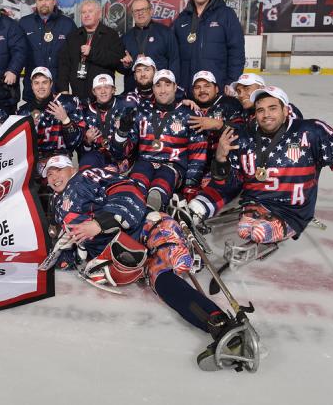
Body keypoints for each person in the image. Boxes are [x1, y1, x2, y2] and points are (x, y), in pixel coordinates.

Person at [43, 155, 251, 370]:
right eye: (49, 173)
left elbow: (127, 190)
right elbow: (75, 240)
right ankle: (219, 325)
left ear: (72, 169)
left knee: (174, 261)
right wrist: (67, 257)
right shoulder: (56, 203)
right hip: (124, 253)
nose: (53, 176)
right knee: (161, 280)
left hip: (144, 227)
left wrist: (100, 222)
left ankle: (222, 324)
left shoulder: (86, 176)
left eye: (58, 169)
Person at [188, 86, 333, 266]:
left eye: (272, 108)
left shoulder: (312, 131)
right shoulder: (243, 137)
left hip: (292, 210)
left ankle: (283, 228)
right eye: (260, 110)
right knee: (245, 228)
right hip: (256, 203)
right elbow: (229, 184)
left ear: (286, 110)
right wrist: (220, 158)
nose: (266, 114)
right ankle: (260, 221)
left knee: (255, 231)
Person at [112, 69, 207, 211]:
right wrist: (121, 133)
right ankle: (132, 207)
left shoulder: (190, 113)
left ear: (175, 87)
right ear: (153, 89)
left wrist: (190, 188)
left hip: (172, 167)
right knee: (138, 177)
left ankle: (152, 208)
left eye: (167, 85)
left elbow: (198, 155)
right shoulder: (141, 111)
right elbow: (121, 153)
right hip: (145, 163)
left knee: (162, 180)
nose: (162, 90)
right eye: (158, 85)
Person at [172, 0, 244, 96]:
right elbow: (171, 51)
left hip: (217, 86)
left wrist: (232, 81)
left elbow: (236, 50)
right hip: (188, 87)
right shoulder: (182, 18)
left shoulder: (226, 15)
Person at [18, 67, 84, 173]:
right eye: (36, 83)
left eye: (44, 82)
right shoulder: (24, 112)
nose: (40, 87)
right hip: (35, 160)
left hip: (61, 158)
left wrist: (65, 120)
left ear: (51, 84)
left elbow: (76, 142)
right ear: (32, 86)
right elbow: (20, 148)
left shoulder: (68, 103)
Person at [57, 0, 124, 103]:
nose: (86, 15)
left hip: (102, 96)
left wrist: (92, 53)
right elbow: (64, 65)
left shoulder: (111, 35)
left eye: (90, 11)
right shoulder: (73, 37)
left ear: (99, 14)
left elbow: (116, 59)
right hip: (78, 97)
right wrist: (64, 90)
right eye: (83, 12)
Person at [18, 0, 77, 103]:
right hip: (33, 88)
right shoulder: (24, 23)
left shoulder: (67, 24)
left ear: (54, 1)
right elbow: (17, 52)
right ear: (36, 2)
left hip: (58, 87)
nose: (43, 3)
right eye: (40, 0)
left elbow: (74, 58)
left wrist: (67, 86)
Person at [120, 0, 180, 94]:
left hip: (160, 92)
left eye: (143, 9)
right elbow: (121, 68)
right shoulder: (125, 37)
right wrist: (125, 65)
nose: (140, 13)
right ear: (132, 14)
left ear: (151, 11)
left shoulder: (165, 33)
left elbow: (175, 62)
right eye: (136, 11)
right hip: (133, 92)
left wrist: (173, 91)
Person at [77, 74, 130, 172]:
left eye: (107, 87)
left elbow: (132, 144)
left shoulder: (124, 107)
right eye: (99, 88)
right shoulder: (85, 112)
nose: (103, 91)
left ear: (114, 90)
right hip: (96, 157)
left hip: (120, 158)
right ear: (94, 91)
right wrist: (87, 141)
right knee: (86, 169)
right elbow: (82, 152)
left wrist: (122, 134)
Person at [231, 73, 302, 120]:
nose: (241, 95)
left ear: (261, 88)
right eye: (238, 91)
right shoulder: (242, 112)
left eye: (247, 88)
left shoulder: (284, 109)